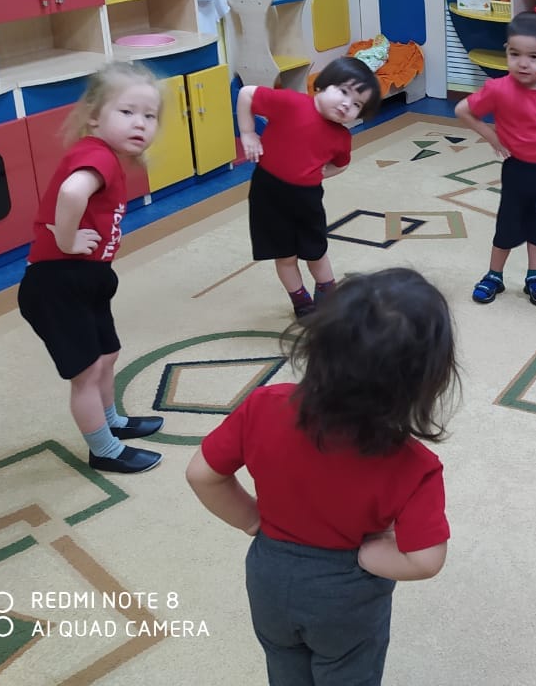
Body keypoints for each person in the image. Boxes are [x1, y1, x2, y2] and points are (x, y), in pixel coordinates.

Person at [186, 267, 460, 686]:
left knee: (284, 664)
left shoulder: (263, 405)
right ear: (425, 382)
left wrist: (251, 518)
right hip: (345, 593)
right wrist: (368, 558)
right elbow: (426, 559)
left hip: (268, 575)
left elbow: (201, 474)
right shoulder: (415, 466)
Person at [18, 62, 167, 474]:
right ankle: (103, 449)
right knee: (86, 372)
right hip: (56, 283)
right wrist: (67, 240)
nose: (140, 123)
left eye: (149, 115)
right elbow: (71, 192)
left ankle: (111, 421)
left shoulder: (108, 158)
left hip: (88, 278)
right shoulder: (95, 155)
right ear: (94, 116)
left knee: (107, 355)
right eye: (127, 111)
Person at [237, 57, 380, 318]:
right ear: (322, 85)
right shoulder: (291, 103)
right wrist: (247, 133)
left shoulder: (342, 137)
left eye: (357, 104)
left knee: (316, 252)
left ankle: (329, 296)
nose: (347, 104)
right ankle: (300, 301)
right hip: (267, 193)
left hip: (307, 198)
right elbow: (246, 94)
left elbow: (342, 164)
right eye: (343, 91)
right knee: (285, 256)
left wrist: (318, 173)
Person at [456, 11, 536, 306]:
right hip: (516, 170)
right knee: (508, 225)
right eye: (515, 54)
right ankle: (494, 275)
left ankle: (534, 276)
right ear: (507, 52)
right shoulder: (497, 89)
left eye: (533, 56)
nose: (523, 63)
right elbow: (463, 110)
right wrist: (492, 136)